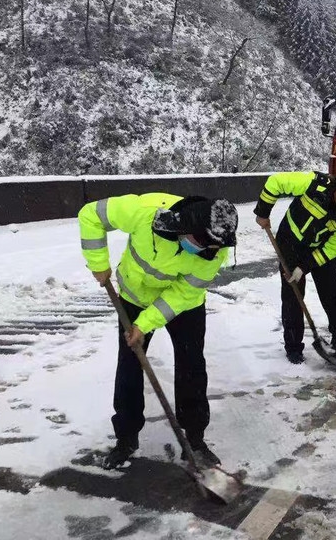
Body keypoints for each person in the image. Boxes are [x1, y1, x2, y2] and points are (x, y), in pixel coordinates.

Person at [78, 192, 238, 470]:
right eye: (200, 242)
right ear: (186, 226)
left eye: (211, 247)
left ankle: (195, 440)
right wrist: (98, 264)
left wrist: (145, 323)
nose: (204, 251)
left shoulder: (215, 249)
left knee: (191, 365)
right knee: (129, 365)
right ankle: (126, 438)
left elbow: (183, 294)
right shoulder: (144, 212)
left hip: (184, 304)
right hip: (133, 298)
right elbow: (90, 214)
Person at [254, 172, 336, 364]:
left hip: (319, 249)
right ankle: (293, 347)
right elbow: (276, 182)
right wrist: (263, 212)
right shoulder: (316, 184)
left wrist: (305, 266)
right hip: (290, 242)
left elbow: (332, 247)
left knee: (332, 293)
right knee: (293, 294)